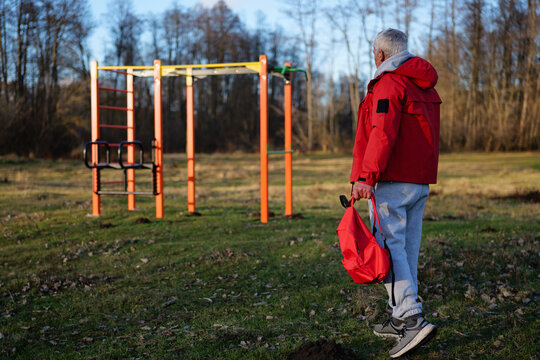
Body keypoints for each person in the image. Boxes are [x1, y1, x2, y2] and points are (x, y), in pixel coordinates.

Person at [350, 28, 441, 358]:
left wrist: (365, 176)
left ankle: (411, 319)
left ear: (379, 54)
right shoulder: (421, 82)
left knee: (388, 250)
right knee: (406, 251)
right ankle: (400, 316)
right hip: (419, 182)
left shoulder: (388, 82)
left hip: (392, 181)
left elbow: (382, 134)